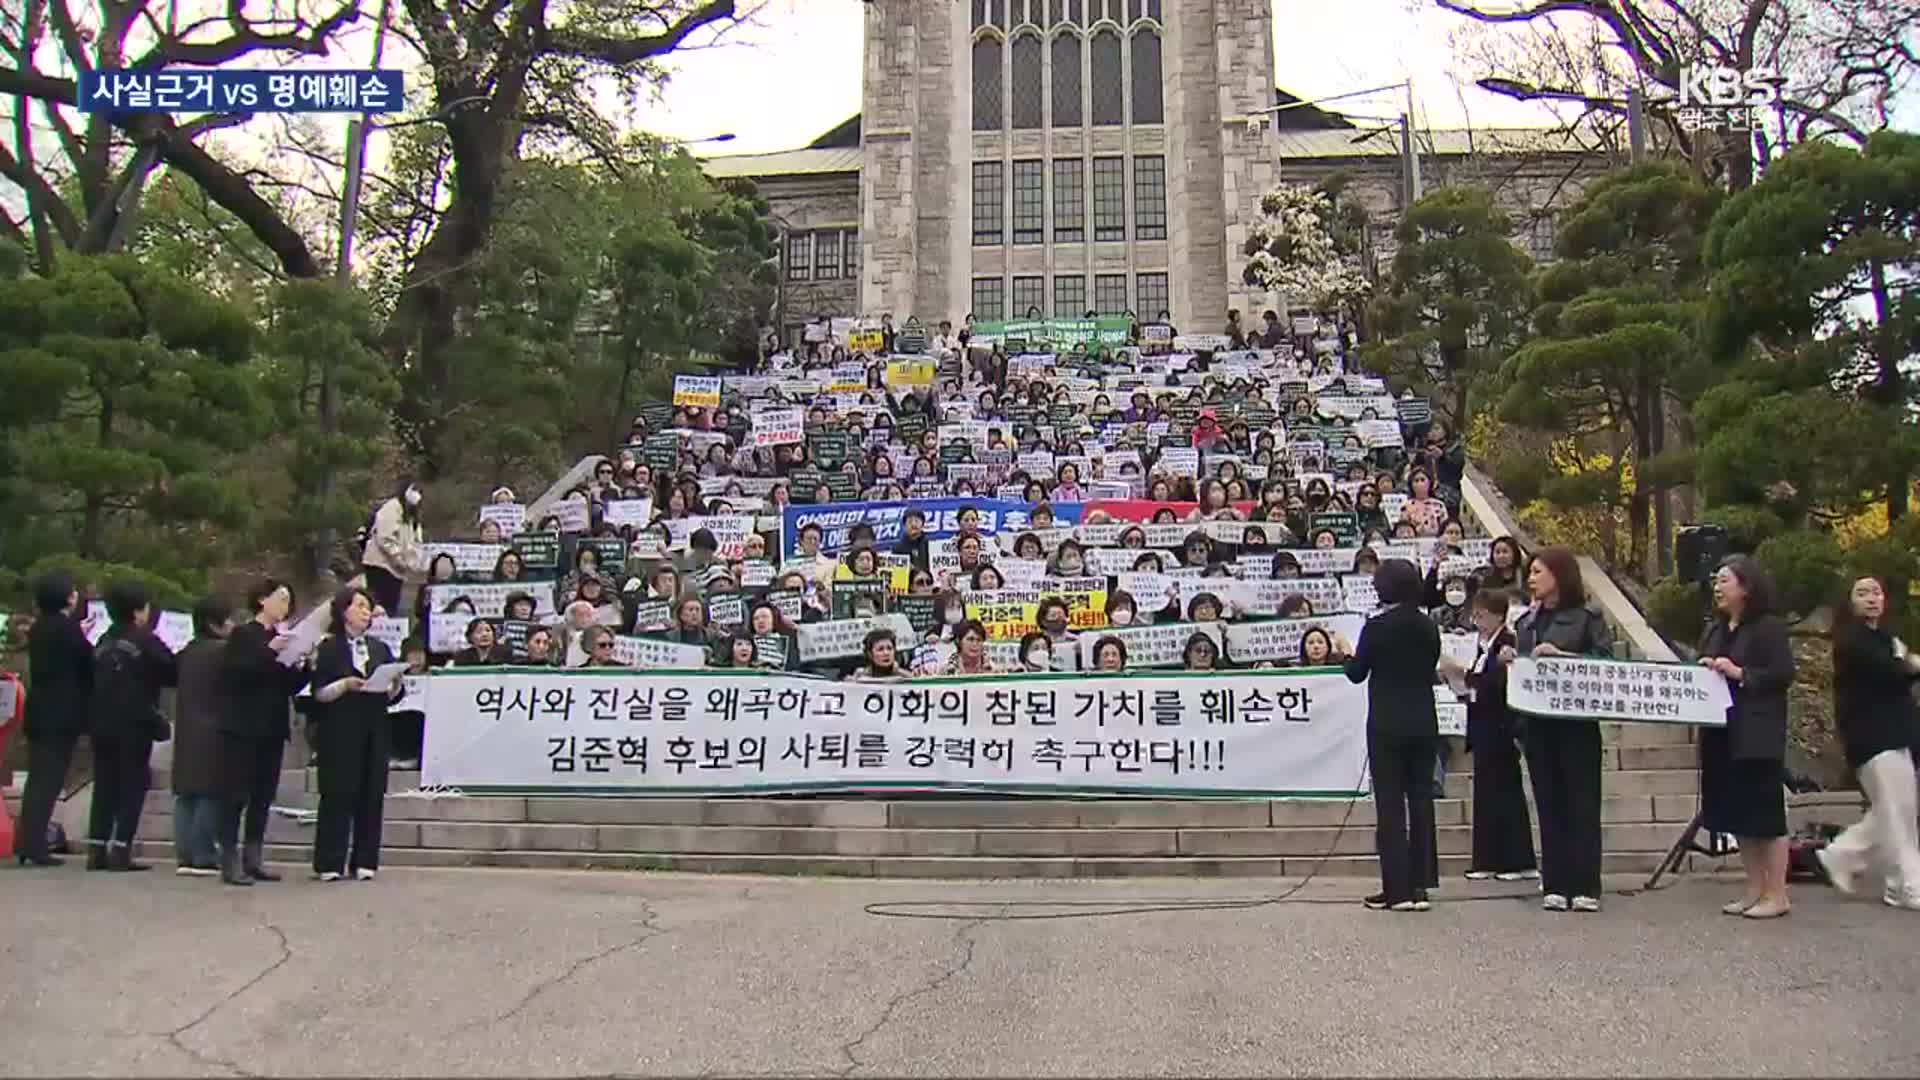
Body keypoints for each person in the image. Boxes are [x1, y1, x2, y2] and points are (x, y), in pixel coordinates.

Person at [1507, 547, 1613, 913]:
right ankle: (1555, 880)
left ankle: (1585, 883)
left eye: (1538, 571)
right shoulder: (1525, 623)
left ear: (1559, 575)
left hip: (1577, 725)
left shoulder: (1587, 618)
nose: (1531, 578)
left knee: (1581, 803)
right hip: (1538, 726)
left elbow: (1606, 665)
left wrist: (1563, 658)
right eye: (1530, 572)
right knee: (1548, 803)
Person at [1696, 554, 1795, 919]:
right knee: (1739, 816)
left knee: (1766, 816)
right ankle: (1753, 888)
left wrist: (1740, 673)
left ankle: (1778, 892)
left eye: (1725, 580)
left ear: (1747, 586)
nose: (1717, 587)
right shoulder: (1717, 628)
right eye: (1716, 581)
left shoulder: (1768, 627)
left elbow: (1783, 673)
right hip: (1723, 732)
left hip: (1757, 732)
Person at [1343, 558, 1441, 913]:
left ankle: (1396, 888)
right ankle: (1420, 885)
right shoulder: (1429, 626)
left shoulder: (1377, 627)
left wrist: (1344, 652)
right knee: (1421, 802)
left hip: (1386, 722)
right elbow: (1429, 665)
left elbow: (1357, 672)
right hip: (1424, 721)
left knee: (1390, 806)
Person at [1821, 575, 1920, 910]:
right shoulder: (1853, 640)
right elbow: (1894, 671)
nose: (1872, 598)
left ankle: (1841, 855)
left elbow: (1903, 665)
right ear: (1850, 602)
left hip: (1896, 732)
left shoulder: (1885, 638)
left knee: (1897, 809)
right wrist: (1910, 664)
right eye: (1862, 593)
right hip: (1873, 736)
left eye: (1877, 592)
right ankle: (1905, 884)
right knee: (1897, 812)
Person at [217, 579, 313, 887]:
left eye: (288, 600)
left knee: (262, 795)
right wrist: (268, 651)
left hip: (272, 725)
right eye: (280, 598)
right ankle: (229, 859)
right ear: (261, 600)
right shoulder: (244, 635)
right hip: (242, 726)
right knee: (235, 795)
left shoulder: (282, 637)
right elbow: (235, 673)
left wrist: (304, 666)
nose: (285, 605)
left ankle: (253, 857)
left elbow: (286, 685)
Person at [1439, 588, 1535, 882]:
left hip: (1501, 725)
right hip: (1482, 724)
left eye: (1482, 615)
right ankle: (1487, 859)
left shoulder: (1506, 642)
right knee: (1486, 795)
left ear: (1497, 615)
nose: (1478, 621)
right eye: (1475, 615)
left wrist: (1461, 672)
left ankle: (1516, 860)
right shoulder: (1481, 645)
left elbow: (1494, 682)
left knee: (1506, 794)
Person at [309, 587, 404, 882]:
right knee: (337, 793)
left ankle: (365, 860)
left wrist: (394, 684)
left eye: (368, 607)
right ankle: (330, 861)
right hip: (338, 728)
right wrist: (344, 685)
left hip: (374, 727)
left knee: (371, 793)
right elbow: (319, 693)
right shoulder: (328, 647)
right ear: (343, 611)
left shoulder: (380, 648)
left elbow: (393, 696)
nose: (366, 611)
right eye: (360, 605)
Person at [86, 581, 179, 872]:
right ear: (140, 611)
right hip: (135, 721)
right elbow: (173, 671)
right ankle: (122, 849)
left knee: (104, 783)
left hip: (101, 721)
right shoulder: (146, 640)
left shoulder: (102, 640)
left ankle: (96, 848)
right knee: (132, 784)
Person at [17, 571, 93, 867]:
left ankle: (28, 841)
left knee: (38, 777)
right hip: (60, 713)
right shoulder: (67, 629)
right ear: (65, 596)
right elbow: (85, 663)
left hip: (39, 708)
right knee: (48, 780)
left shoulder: (40, 628)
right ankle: (34, 845)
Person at [170, 595, 235, 877]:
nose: (233, 624)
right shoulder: (223, 652)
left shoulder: (186, 652)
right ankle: (203, 854)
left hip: (186, 729)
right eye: (229, 619)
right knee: (210, 792)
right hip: (215, 729)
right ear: (214, 623)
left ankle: (185, 854)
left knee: (186, 795)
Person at [361, 480, 424, 614]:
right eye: (414, 490)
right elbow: (385, 537)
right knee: (378, 606)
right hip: (380, 565)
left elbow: (416, 542)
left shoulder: (412, 515)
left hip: (397, 570)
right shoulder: (391, 508)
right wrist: (399, 558)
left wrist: (412, 563)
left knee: (390, 608)